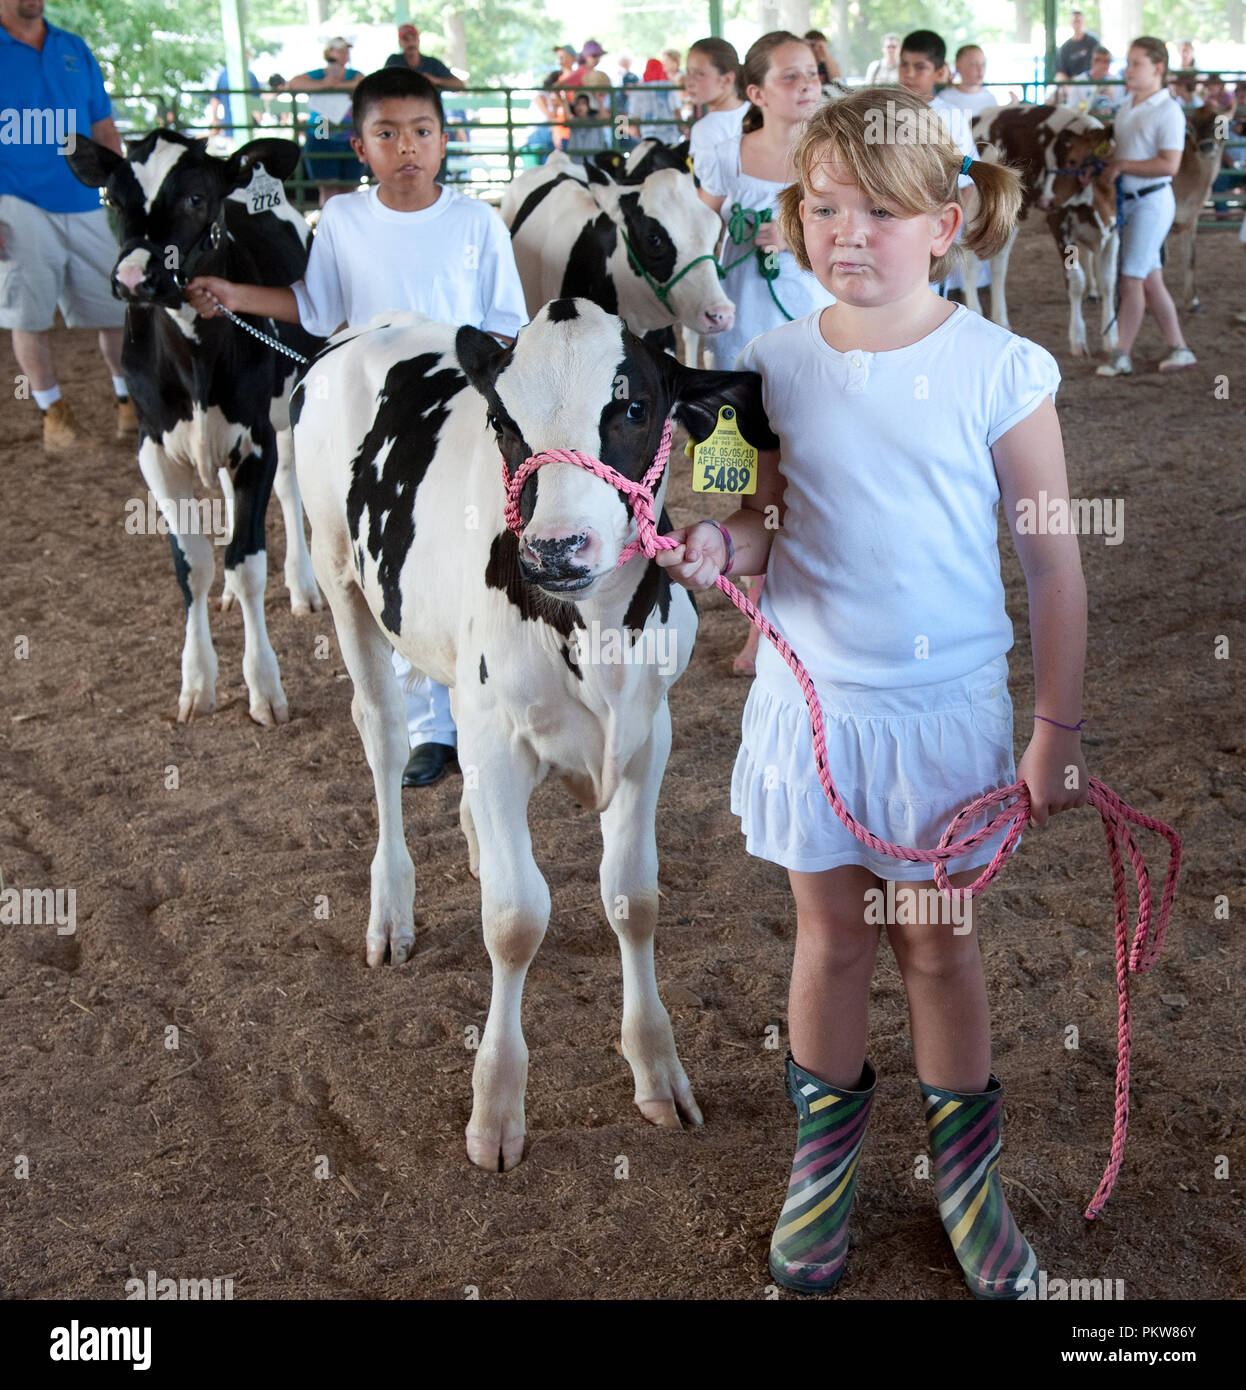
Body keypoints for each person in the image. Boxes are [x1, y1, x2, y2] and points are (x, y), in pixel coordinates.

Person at [656, 84, 1087, 1300]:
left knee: (937, 948)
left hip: (943, 717)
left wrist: (1053, 725)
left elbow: (1052, 559)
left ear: (944, 225)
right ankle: (824, 1168)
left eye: (881, 212)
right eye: (824, 207)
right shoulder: (766, 364)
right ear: (794, 218)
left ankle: (966, 1179)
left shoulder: (1001, 367)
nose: (848, 233)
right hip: (814, 709)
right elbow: (752, 521)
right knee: (830, 937)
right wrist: (714, 546)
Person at [185, 68, 528, 790]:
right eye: (387, 133)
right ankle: (430, 728)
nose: (407, 146)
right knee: (393, 561)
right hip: (376, 424)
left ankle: (482, 709)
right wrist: (233, 295)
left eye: (422, 132)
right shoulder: (342, 219)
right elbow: (316, 309)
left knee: (468, 555)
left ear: (443, 140)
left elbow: (505, 324)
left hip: (459, 414)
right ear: (360, 146)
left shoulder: (476, 222)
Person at [695, 31, 835, 675]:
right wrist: (737, 235)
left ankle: (807, 619)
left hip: (816, 329)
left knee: (814, 474)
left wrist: (802, 237)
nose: (806, 85)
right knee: (750, 482)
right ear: (754, 93)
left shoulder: (834, 155)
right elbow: (697, 231)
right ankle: (760, 631)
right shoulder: (725, 154)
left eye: (811, 73)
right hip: (738, 335)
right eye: (789, 77)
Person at [0, 0, 134, 449]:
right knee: (30, 315)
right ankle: (53, 413)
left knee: (118, 306)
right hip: (14, 201)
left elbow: (103, 128)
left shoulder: (72, 47)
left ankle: (128, 401)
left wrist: (122, 191)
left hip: (83, 199)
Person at [1097, 37, 1196, 377]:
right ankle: (1179, 347)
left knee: (1131, 279)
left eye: (1137, 63)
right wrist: (1105, 165)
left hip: (1152, 200)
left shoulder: (1168, 110)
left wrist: (1122, 166)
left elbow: (1170, 165)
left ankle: (1121, 352)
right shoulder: (1128, 105)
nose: (1129, 69)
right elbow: (1125, 151)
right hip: (1131, 200)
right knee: (1150, 279)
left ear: (1158, 68)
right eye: (1129, 62)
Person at [282, 37, 363, 207]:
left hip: (349, 132)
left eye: (345, 50)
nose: (343, 53)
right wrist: (325, 84)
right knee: (328, 188)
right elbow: (294, 83)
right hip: (322, 125)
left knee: (349, 187)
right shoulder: (318, 74)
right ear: (328, 53)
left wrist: (332, 86)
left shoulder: (354, 75)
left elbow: (362, 84)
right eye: (338, 49)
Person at [684, 37, 746, 176]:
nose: (689, 82)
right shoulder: (758, 111)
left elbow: (711, 192)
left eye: (700, 74)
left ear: (727, 79)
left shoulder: (704, 129)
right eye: (688, 72)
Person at [384, 23, 466, 91]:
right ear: (400, 43)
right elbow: (382, 84)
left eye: (414, 38)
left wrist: (435, 80)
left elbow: (460, 85)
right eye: (406, 39)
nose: (411, 43)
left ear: (418, 40)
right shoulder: (394, 61)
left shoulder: (432, 64)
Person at [208, 49, 261, 142]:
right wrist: (259, 122)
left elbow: (215, 100)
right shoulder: (249, 75)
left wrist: (215, 120)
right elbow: (255, 104)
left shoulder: (223, 75)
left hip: (229, 128)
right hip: (247, 126)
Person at [938, 43, 999, 119]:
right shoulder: (944, 98)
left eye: (983, 64)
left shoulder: (990, 98)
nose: (980, 69)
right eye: (973, 64)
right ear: (958, 67)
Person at [628, 57, 682, 142]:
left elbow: (635, 116)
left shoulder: (638, 91)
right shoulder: (669, 86)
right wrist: (683, 129)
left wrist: (637, 131)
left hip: (648, 135)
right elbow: (676, 110)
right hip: (670, 135)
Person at [1066, 47, 1122, 117]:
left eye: (1106, 61)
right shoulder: (1079, 81)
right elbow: (1072, 108)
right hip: (1085, 123)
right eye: (1097, 60)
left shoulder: (1117, 82)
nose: (1101, 64)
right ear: (1092, 61)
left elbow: (1119, 108)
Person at [1056, 10, 1099, 81]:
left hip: (1091, 82)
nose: (1077, 24)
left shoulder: (1093, 42)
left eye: (1079, 21)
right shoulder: (1065, 47)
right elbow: (1060, 72)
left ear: (1083, 22)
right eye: (1074, 21)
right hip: (1072, 84)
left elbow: (1101, 64)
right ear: (1070, 23)